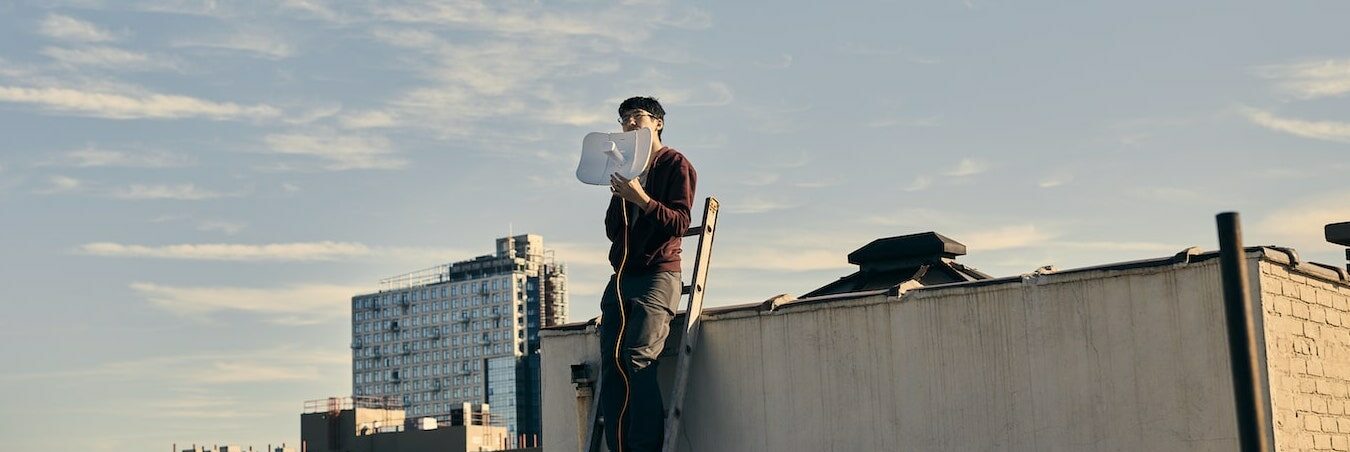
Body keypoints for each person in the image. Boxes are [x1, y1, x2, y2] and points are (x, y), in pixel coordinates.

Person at [600, 96, 697, 452]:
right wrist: (622, 194)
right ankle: (619, 445)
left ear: (657, 122)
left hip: (658, 273)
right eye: (623, 119)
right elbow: (613, 230)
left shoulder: (675, 163)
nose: (629, 124)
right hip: (622, 275)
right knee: (612, 364)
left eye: (636, 117)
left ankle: (644, 447)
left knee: (638, 357)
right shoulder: (627, 166)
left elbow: (680, 222)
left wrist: (641, 198)